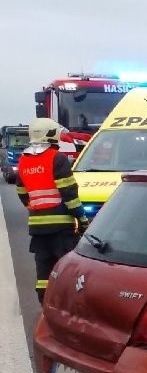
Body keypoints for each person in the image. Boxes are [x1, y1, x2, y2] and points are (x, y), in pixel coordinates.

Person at [15, 118, 89, 303]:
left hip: (37, 227)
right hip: (61, 226)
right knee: (68, 267)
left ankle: (45, 302)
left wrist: (35, 208)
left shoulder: (24, 160)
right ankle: (68, 303)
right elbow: (69, 194)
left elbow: (22, 192)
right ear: (51, 134)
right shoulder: (57, 158)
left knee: (43, 269)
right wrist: (82, 219)